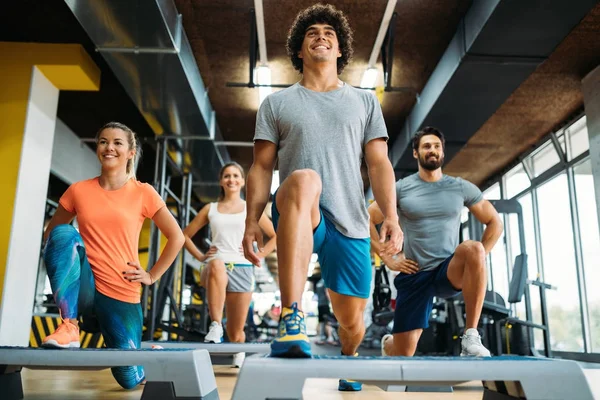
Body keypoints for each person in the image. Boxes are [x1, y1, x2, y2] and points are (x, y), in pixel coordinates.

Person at [242, 4, 402, 392]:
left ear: (340, 49)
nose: (321, 36)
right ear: (299, 49)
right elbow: (262, 168)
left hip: (350, 219)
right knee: (304, 180)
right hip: (300, 211)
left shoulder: (364, 101)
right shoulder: (276, 104)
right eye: (312, 32)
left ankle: (350, 357)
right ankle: (291, 315)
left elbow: (379, 165)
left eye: (329, 33)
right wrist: (252, 221)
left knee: (351, 322)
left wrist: (391, 217)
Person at [42, 122, 185, 389]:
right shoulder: (78, 191)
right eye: (103, 142)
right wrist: (70, 257)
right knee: (63, 234)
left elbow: (177, 237)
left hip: (121, 289)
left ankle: (147, 356)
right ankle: (69, 326)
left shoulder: (144, 192)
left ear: (131, 152)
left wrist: (152, 275)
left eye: (118, 143)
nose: (109, 148)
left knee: (129, 379)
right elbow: (51, 235)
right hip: (85, 286)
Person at [368, 126, 504, 357]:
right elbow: (366, 218)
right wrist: (387, 257)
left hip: (446, 270)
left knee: (473, 248)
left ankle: (470, 336)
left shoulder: (460, 187)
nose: (432, 150)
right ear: (416, 153)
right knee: (403, 353)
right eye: (426, 146)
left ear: (442, 152)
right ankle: (389, 344)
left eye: (436, 146)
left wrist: (479, 259)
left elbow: (494, 222)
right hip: (414, 272)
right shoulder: (400, 188)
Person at [183, 162, 276, 367]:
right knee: (216, 264)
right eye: (227, 176)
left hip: (242, 268)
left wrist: (258, 254)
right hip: (215, 267)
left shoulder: (251, 209)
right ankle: (216, 325)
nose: (231, 179)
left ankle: (237, 353)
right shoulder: (211, 209)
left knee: (236, 332)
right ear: (221, 181)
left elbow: (275, 236)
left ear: (242, 182)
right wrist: (200, 257)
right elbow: (184, 235)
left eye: (235, 175)